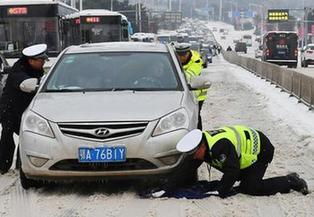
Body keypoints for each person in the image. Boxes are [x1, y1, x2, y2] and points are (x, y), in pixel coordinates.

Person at [176, 125, 309, 198]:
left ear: (202, 146)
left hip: (262, 150)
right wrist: (167, 188)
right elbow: (187, 168)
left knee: (251, 188)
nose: (193, 157)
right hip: (241, 156)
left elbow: (232, 170)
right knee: (233, 174)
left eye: (193, 153)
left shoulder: (219, 146)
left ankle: (291, 181)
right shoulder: (202, 146)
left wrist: (220, 191)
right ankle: (246, 176)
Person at [0, 44, 48, 174]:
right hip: (9, 110)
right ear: (31, 60)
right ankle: (2, 166)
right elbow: (27, 84)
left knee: (26, 136)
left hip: (23, 110)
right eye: (41, 60)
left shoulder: (37, 70)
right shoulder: (18, 69)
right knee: (7, 137)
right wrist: (44, 83)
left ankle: (20, 165)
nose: (43, 62)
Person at [174, 43, 207, 130]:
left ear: (188, 52)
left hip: (195, 95)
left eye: (184, 54)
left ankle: (198, 137)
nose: (181, 57)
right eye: (179, 55)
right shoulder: (173, 58)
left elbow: (189, 75)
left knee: (195, 117)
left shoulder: (196, 61)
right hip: (177, 93)